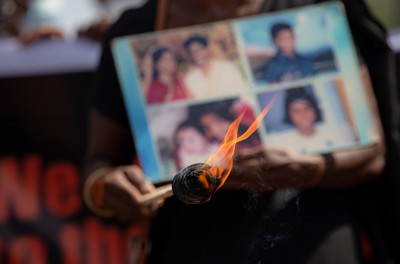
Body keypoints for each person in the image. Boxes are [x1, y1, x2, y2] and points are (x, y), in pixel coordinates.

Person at [83, 0, 400, 263]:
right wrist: (107, 186)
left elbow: (372, 156)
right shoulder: (138, 28)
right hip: (193, 246)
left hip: (315, 243)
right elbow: (100, 161)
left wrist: (309, 170)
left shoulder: (313, 9)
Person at [267, 86, 357, 153]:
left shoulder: (337, 132)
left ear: (314, 109)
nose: (303, 115)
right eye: (296, 111)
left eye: (307, 108)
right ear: (289, 115)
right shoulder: (282, 144)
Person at [182, 34, 249, 99]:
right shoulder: (190, 78)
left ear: (206, 49)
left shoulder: (226, 67)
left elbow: (243, 91)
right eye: (191, 52)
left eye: (198, 49)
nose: (195, 54)